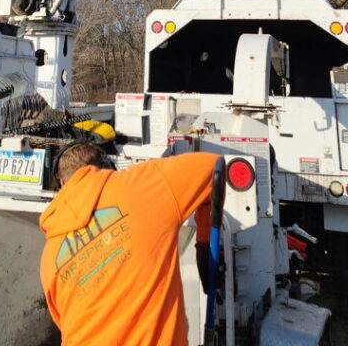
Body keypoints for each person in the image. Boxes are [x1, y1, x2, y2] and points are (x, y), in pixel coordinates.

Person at [39, 140, 219, 346]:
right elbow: (215, 167)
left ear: (62, 184)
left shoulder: (49, 258)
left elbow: (67, 323)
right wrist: (204, 246)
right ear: (106, 167)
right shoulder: (144, 184)